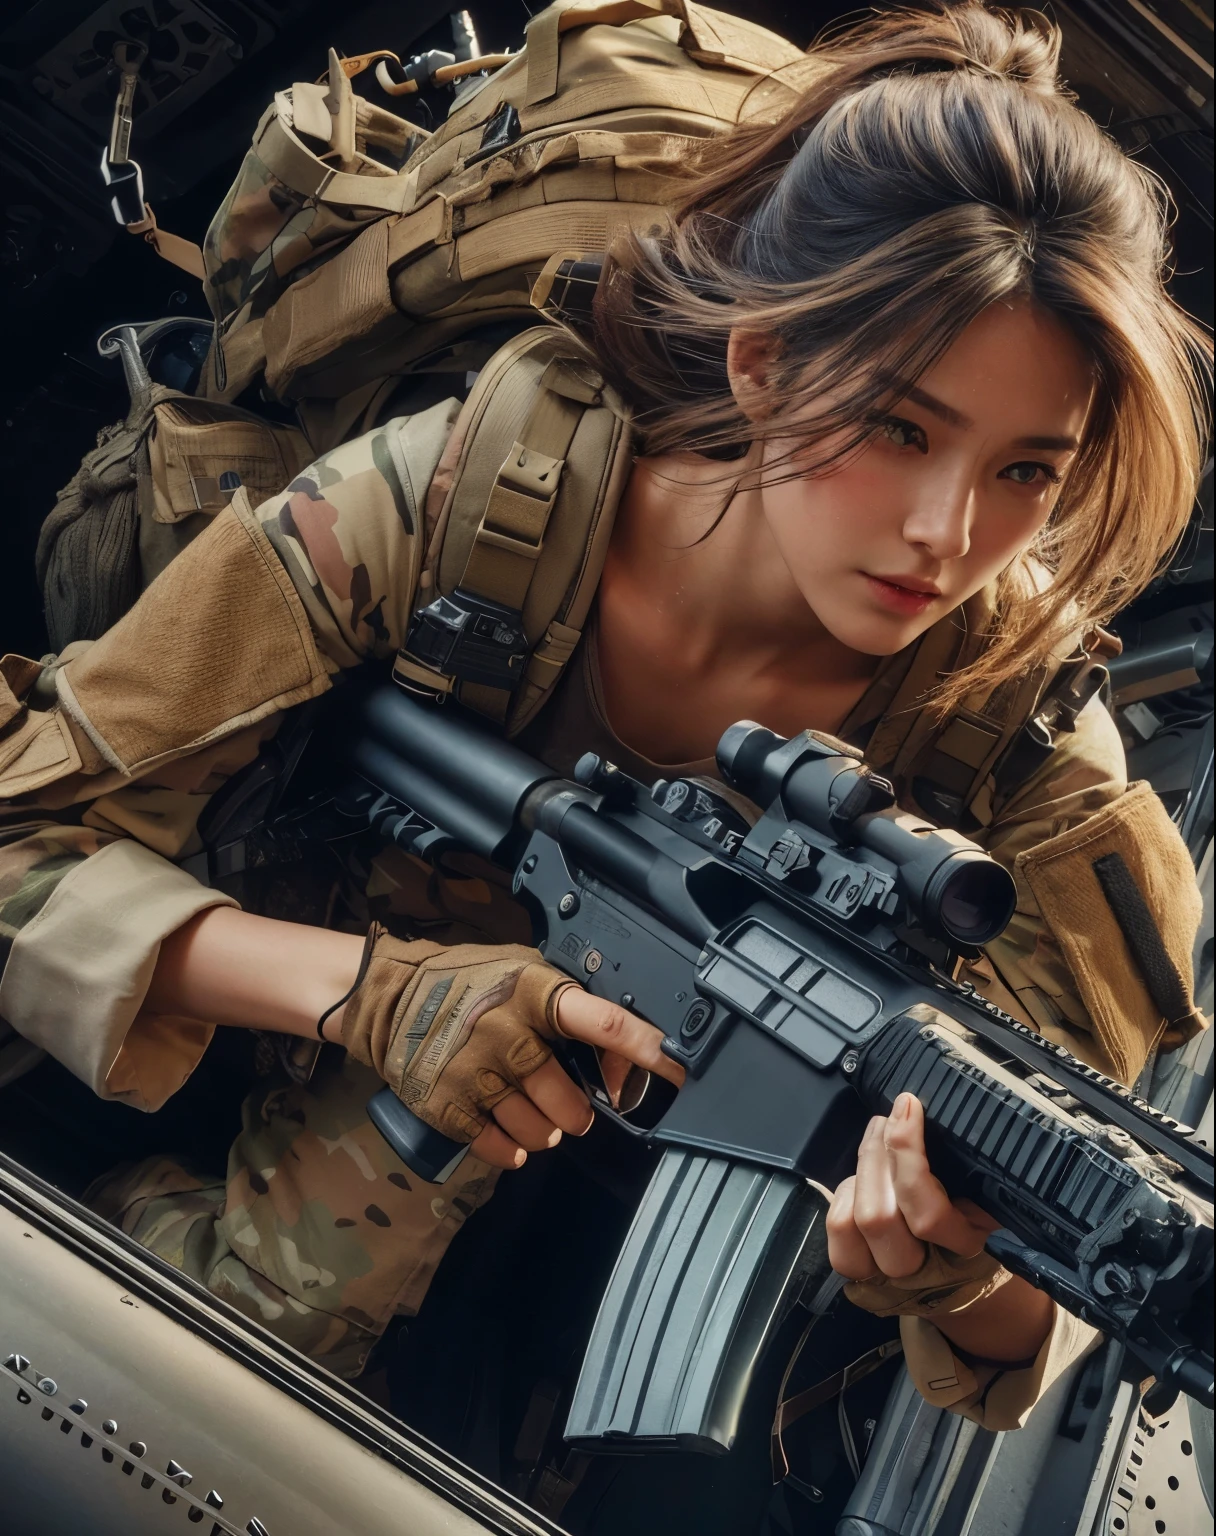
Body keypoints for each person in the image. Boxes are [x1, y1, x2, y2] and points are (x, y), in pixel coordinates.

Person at [0, 1, 1208, 1437]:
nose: (951, 533)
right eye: (899, 428)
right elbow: (23, 848)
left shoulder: (1030, 743)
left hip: (578, 1149)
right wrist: (376, 995)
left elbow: (1046, 1326)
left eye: (1029, 472)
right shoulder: (462, 499)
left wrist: (949, 1274)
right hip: (311, 956)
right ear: (762, 367)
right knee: (249, 1350)